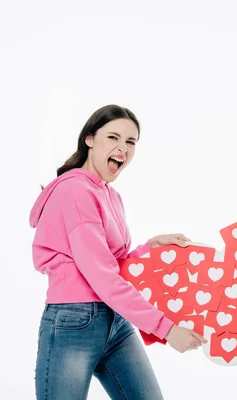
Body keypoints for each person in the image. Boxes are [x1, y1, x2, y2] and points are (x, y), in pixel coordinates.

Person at [29, 105, 206, 400]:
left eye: (130, 142)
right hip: (75, 321)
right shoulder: (75, 191)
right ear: (89, 139)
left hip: (115, 321)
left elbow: (109, 264)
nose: (122, 148)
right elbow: (100, 275)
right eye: (113, 137)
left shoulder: (110, 194)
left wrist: (150, 249)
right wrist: (166, 329)